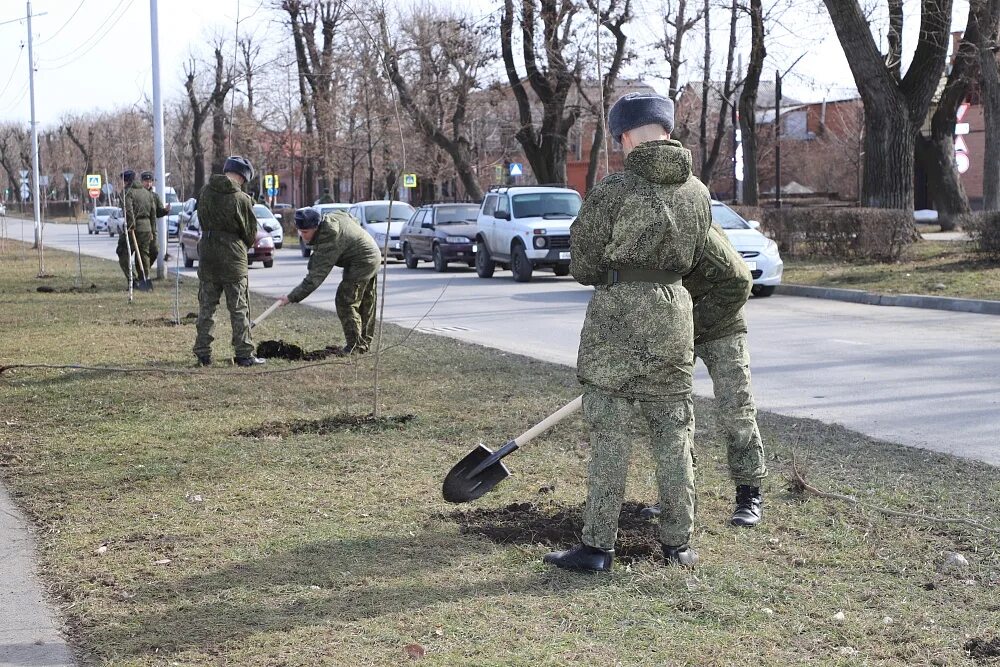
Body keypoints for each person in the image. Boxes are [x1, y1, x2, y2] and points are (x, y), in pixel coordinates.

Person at [542, 92, 712, 572]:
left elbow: (583, 263)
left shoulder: (614, 191)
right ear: (667, 129)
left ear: (623, 137)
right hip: (674, 316)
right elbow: (698, 256)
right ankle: (679, 546)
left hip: (616, 319)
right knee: (674, 435)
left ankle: (598, 547)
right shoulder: (698, 192)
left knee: (610, 436)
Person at [638, 225, 768, 527]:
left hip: (723, 324)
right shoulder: (644, 233)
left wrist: (691, 326)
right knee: (670, 411)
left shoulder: (697, 232)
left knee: (736, 411)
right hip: (678, 329)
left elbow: (739, 282)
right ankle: (677, 494)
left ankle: (749, 493)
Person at [192, 156, 265, 367]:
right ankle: (244, 354)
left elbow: (201, 218)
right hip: (233, 258)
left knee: (207, 307)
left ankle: (203, 353)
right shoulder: (241, 199)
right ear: (243, 176)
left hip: (207, 255)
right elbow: (250, 233)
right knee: (239, 308)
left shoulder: (205, 192)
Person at [276, 207, 381, 355]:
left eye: (305, 232)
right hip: (370, 253)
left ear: (316, 227)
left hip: (363, 260)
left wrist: (291, 297)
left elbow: (314, 279)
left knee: (345, 300)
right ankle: (362, 343)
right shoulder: (332, 216)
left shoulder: (328, 241)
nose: (302, 235)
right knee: (363, 300)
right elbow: (350, 217)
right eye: (300, 231)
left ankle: (356, 346)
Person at [116, 169, 157, 290]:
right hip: (147, 228)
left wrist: (131, 225)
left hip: (134, 228)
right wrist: (152, 231)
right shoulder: (147, 193)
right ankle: (145, 279)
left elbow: (128, 210)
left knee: (122, 251)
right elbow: (153, 213)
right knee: (144, 255)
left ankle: (133, 280)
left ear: (126, 181)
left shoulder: (127, 192)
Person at [141, 171, 171, 262]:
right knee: (142, 252)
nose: (148, 183)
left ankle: (145, 270)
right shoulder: (139, 196)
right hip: (141, 229)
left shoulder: (155, 196)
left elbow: (158, 212)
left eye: (150, 181)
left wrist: (165, 211)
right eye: (146, 181)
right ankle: (142, 273)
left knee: (154, 250)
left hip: (152, 229)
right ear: (142, 182)